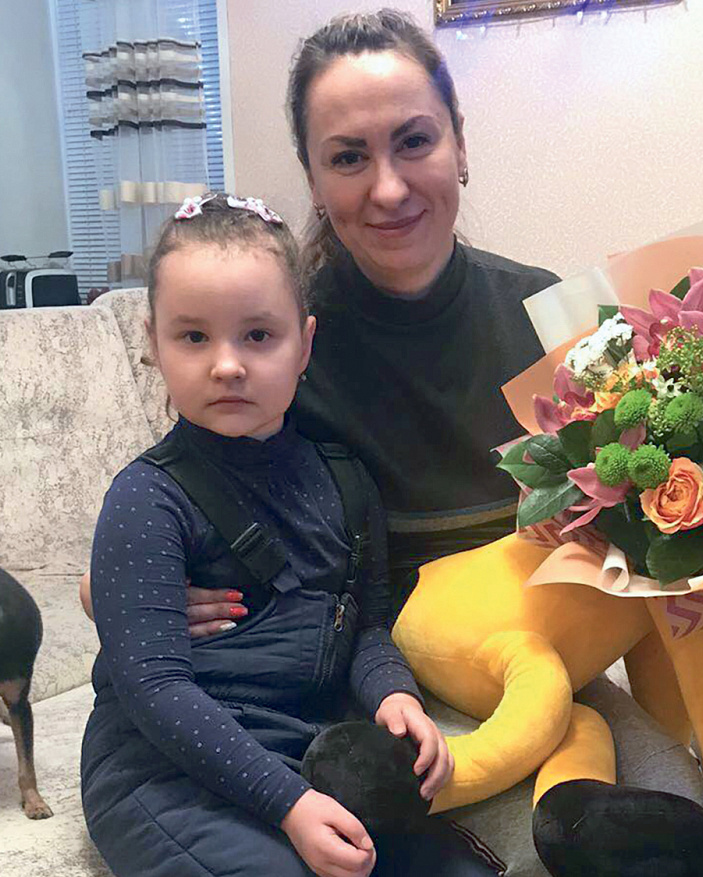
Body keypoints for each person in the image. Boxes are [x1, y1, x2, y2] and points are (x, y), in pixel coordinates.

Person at [80, 193, 496, 877]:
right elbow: (155, 688)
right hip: (162, 768)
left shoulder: (346, 480)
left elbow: (366, 626)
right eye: (193, 337)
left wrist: (395, 695)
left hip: (304, 743)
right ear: (152, 344)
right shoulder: (145, 498)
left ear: (304, 344)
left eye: (257, 336)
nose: (227, 365)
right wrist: (289, 804)